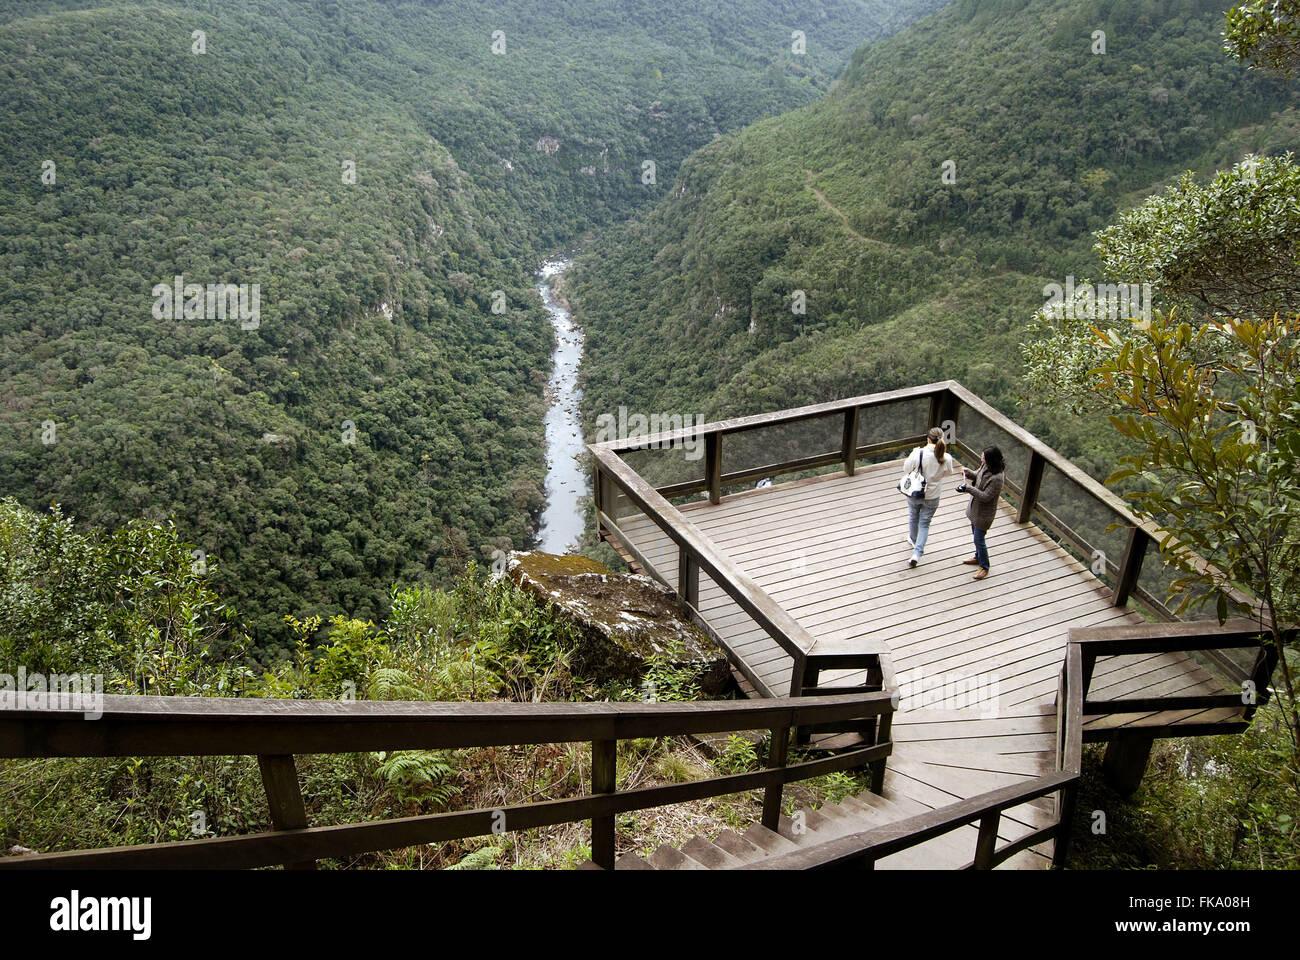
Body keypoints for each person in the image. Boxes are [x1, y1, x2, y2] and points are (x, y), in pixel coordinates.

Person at [903, 427, 954, 567]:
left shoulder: (918, 453)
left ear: (928, 439)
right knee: (924, 523)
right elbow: (948, 473)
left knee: (914, 516)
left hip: (915, 492)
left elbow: (906, 469)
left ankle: (913, 540)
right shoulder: (946, 457)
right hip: (933, 495)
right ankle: (917, 553)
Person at [956, 445, 1006, 580]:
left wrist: (968, 489)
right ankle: (978, 557)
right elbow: (977, 476)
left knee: (979, 539)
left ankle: (985, 566)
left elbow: (985, 497)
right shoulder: (985, 466)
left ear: (990, 459)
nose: (981, 458)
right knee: (976, 537)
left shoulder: (997, 478)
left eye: (983, 456)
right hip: (975, 509)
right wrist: (968, 473)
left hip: (984, 514)